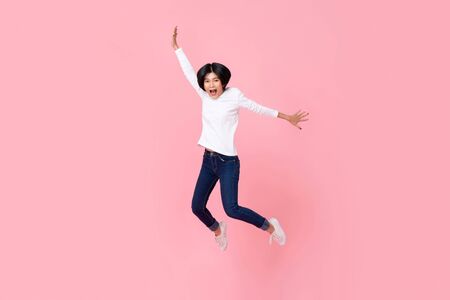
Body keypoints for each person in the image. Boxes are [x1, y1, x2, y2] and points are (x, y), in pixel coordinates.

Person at [171, 26, 309, 251]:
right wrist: (177, 49)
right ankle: (218, 229)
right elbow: (189, 73)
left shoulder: (234, 96)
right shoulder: (204, 96)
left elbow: (258, 108)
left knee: (231, 208)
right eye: (207, 81)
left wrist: (286, 117)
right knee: (197, 207)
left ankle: (271, 226)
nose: (211, 85)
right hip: (208, 160)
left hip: (227, 163)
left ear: (222, 81)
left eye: (215, 80)